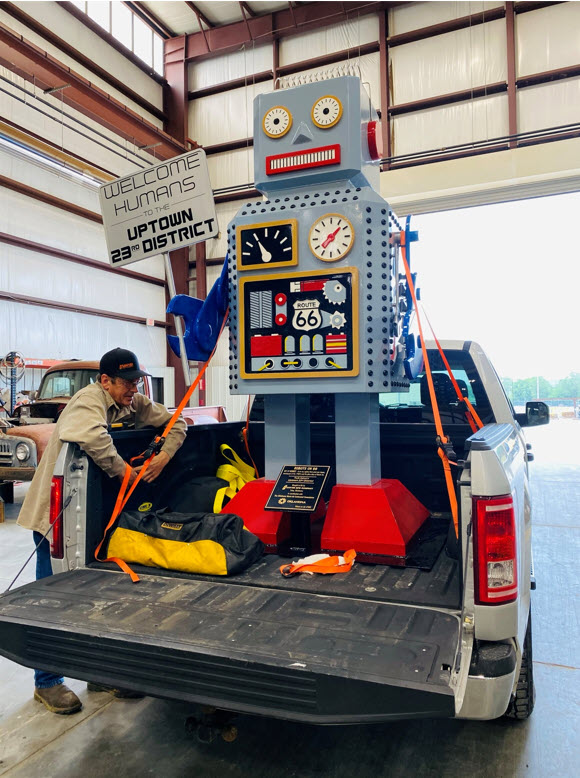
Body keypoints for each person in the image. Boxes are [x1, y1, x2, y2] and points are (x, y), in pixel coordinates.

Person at [17, 347, 187, 714]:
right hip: (56, 520)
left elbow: (179, 423)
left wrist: (163, 457)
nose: (133, 389)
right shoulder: (87, 401)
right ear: (106, 381)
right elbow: (94, 437)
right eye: (127, 383)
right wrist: (127, 474)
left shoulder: (132, 402)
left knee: (96, 597)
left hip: (92, 517)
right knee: (55, 600)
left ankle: (98, 673)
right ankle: (46, 681)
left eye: (136, 382)